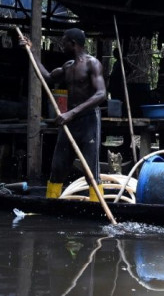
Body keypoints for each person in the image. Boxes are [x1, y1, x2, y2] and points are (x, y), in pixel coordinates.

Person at [21, 28, 106, 200]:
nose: (62, 44)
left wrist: (72, 113)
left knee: (90, 168)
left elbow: (101, 94)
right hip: (70, 122)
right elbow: (46, 76)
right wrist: (31, 52)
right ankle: (51, 203)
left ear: (73, 44)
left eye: (64, 41)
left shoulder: (92, 64)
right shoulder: (68, 66)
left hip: (89, 120)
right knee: (58, 166)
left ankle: (98, 209)